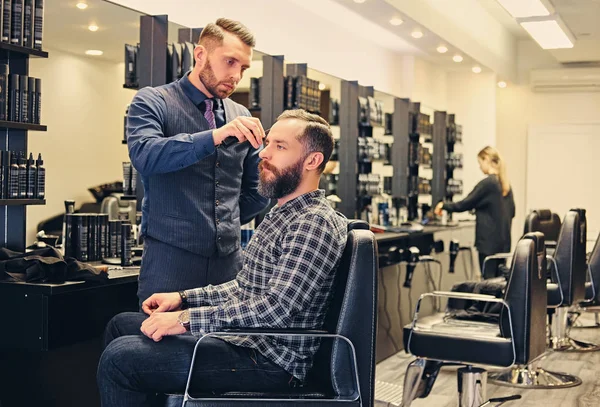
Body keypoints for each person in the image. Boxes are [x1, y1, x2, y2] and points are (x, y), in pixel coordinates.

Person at [97, 110, 348, 407]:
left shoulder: (313, 222)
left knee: (119, 360)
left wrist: (186, 320)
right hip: (247, 342)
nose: (264, 154)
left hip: (271, 361)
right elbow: (244, 288)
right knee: (121, 325)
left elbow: (276, 309)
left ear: (312, 161)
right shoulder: (282, 214)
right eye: (267, 143)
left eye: (279, 147)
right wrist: (183, 298)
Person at [126, 18, 271, 304]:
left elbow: (259, 191)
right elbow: (145, 154)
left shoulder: (240, 112)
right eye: (229, 62)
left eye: (243, 68)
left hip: (228, 268)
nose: (236, 76)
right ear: (201, 54)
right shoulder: (153, 101)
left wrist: (221, 222)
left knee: (223, 347)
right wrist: (214, 136)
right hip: (170, 263)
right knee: (164, 346)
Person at [435, 146, 514, 275]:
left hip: (488, 245)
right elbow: (511, 211)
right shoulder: (505, 184)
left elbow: (464, 204)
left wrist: (443, 206)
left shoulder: (488, 183)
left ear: (487, 160)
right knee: (498, 283)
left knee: (488, 284)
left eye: (480, 163)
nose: (479, 167)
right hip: (503, 244)